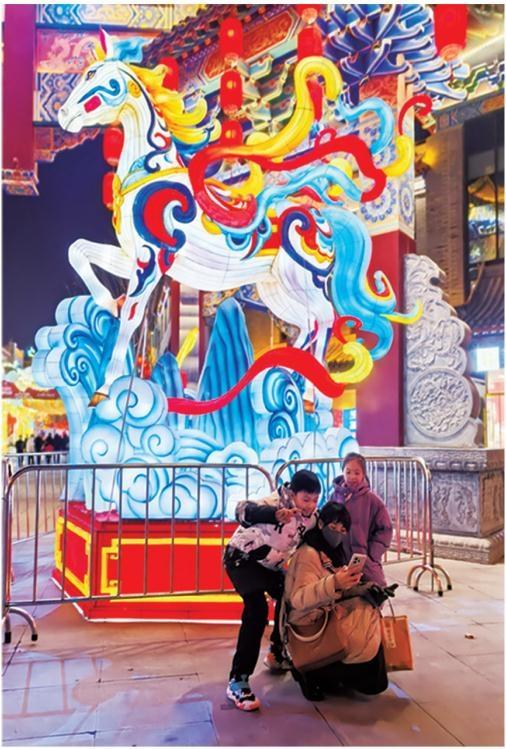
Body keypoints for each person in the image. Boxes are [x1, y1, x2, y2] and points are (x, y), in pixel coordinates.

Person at [224, 469, 321, 712]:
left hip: (270, 564)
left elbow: (321, 533)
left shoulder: (311, 517)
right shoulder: (273, 502)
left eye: (314, 500)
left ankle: (277, 653)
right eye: (305, 499)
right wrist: (273, 514)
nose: (310, 505)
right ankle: (238, 680)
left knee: (290, 597)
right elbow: (241, 510)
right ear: (292, 494)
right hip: (242, 558)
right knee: (257, 611)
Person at [284, 501, 391, 701]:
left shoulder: (333, 553)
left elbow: (336, 592)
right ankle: (312, 673)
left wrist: (362, 588)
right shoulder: (308, 553)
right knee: (363, 615)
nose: (337, 534)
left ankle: (341, 673)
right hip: (309, 625)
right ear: (321, 524)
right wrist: (334, 582)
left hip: (327, 615)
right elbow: (298, 599)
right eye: (333, 527)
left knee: (368, 606)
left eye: (343, 530)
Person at [329, 452, 392, 586]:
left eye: (357, 473)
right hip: (338, 558)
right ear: (342, 472)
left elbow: (385, 529)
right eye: (348, 472)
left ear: (363, 474)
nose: (352, 477)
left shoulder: (372, 500)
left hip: (363, 559)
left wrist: (373, 554)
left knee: (377, 587)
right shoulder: (335, 498)